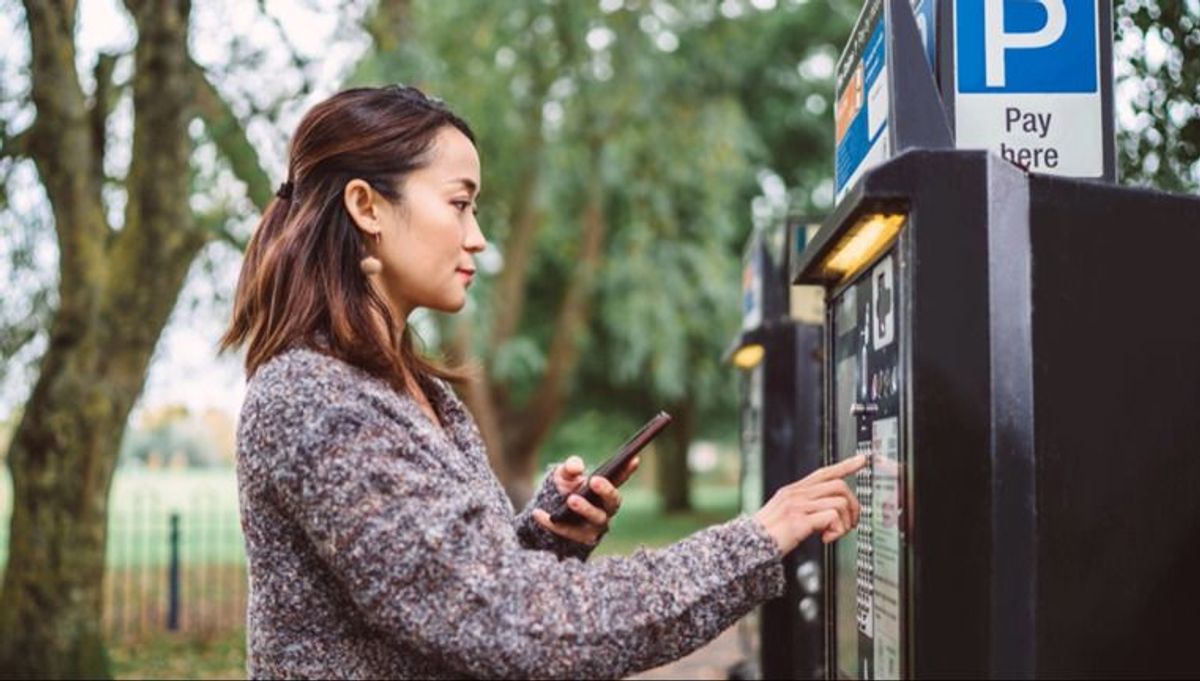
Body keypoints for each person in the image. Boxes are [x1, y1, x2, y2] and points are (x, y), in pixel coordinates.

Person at [221, 85, 866, 680]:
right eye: (459, 204)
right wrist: (755, 541)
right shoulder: (315, 400)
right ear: (366, 206)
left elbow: (449, 595)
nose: (477, 239)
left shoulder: (419, 393)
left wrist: (544, 539)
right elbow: (510, 621)